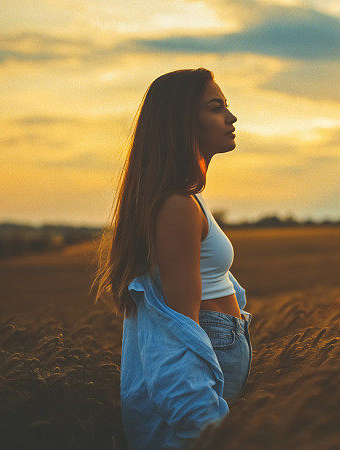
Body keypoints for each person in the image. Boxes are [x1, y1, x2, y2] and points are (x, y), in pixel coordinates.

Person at [91, 68, 252, 450]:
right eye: (216, 108)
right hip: (209, 351)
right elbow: (180, 334)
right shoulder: (178, 206)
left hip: (219, 346)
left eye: (227, 106)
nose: (231, 118)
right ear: (183, 123)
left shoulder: (184, 198)